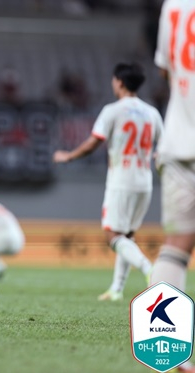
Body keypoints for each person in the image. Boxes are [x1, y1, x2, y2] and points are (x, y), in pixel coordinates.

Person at [53, 62, 163, 301]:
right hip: (144, 181)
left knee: (112, 235)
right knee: (127, 236)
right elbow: (162, 149)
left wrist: (68, 156)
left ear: (119, 82)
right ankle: (117, 289)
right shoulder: (152, 113)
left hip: (121, 180)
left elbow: (94, 142)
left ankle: (150, 270)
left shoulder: (113, 110)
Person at [150, 1, 195, 371]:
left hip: (179, 141)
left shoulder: (174, 3)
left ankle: (165, 353)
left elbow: (167, 68)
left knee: (176, 246)